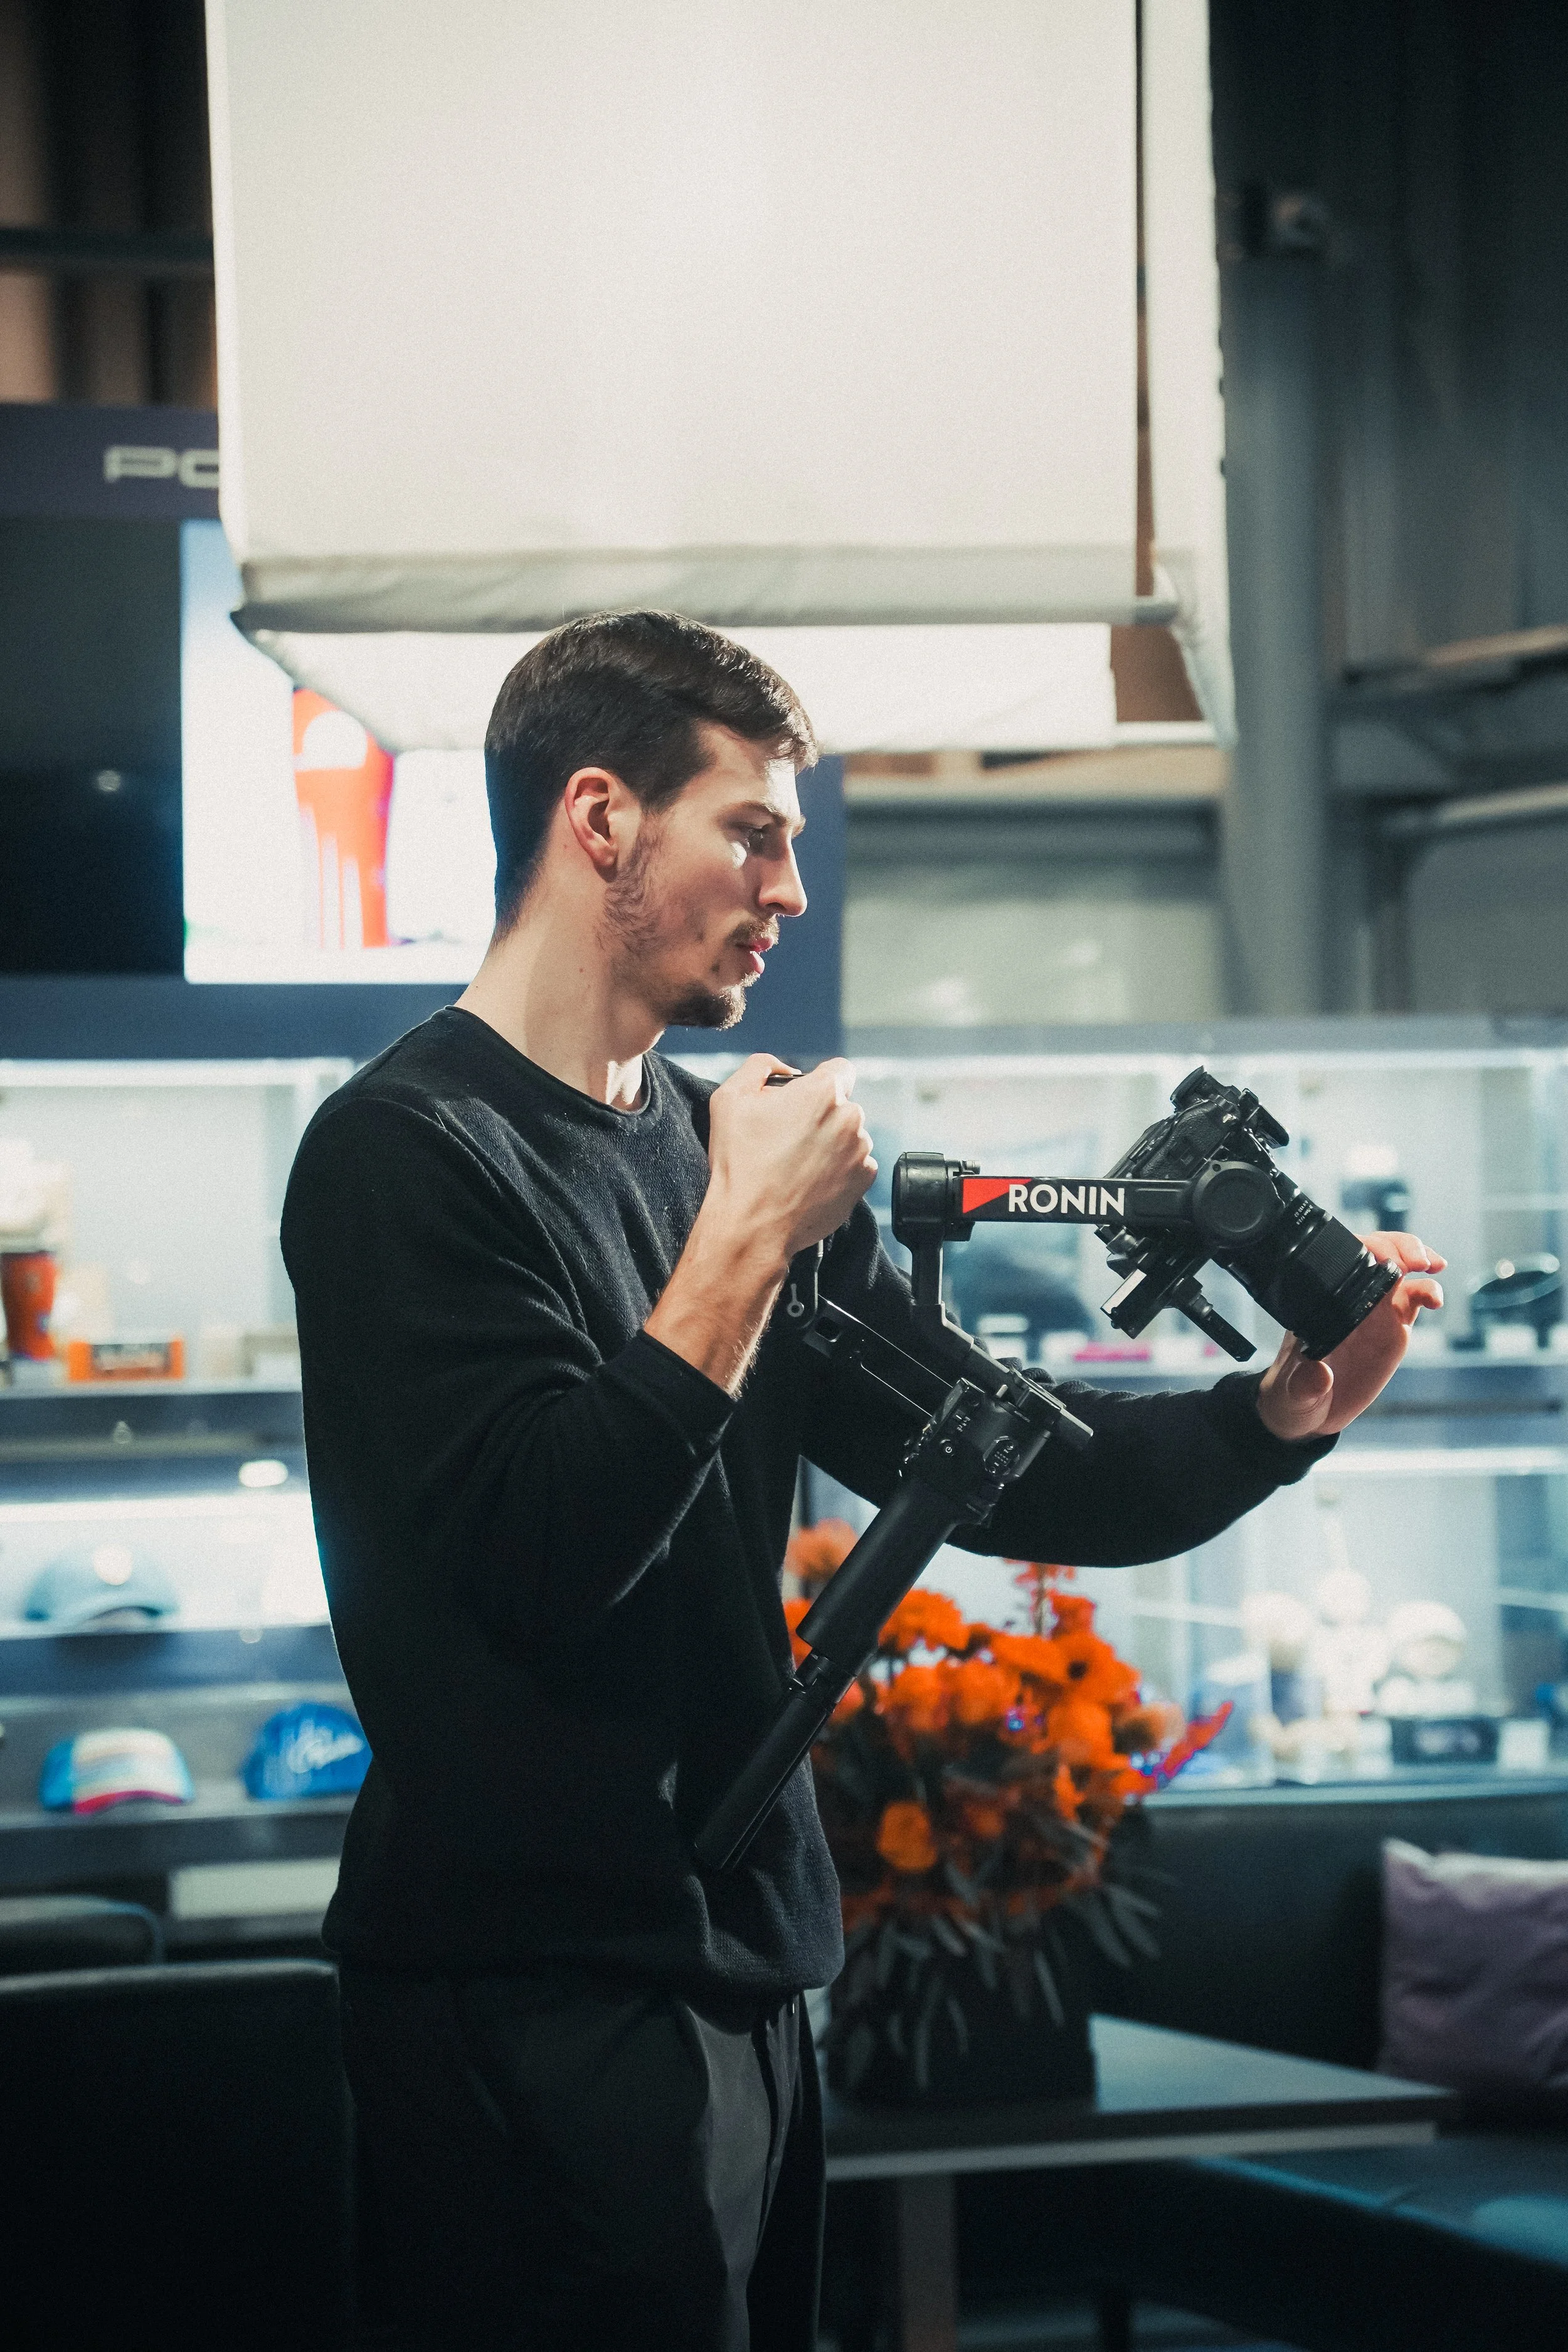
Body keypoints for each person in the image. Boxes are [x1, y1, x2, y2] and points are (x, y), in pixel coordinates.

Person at [280, 612, 1444, 2352]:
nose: (790, 890)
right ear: (599, 819)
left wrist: (1277, 1413)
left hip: (739, 1974)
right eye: (750, 832)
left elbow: (1003, 1459)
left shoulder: (703, 1142)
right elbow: (539, 1549)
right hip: (522, 1998)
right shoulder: (405, 1155)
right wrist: (744, 1231)